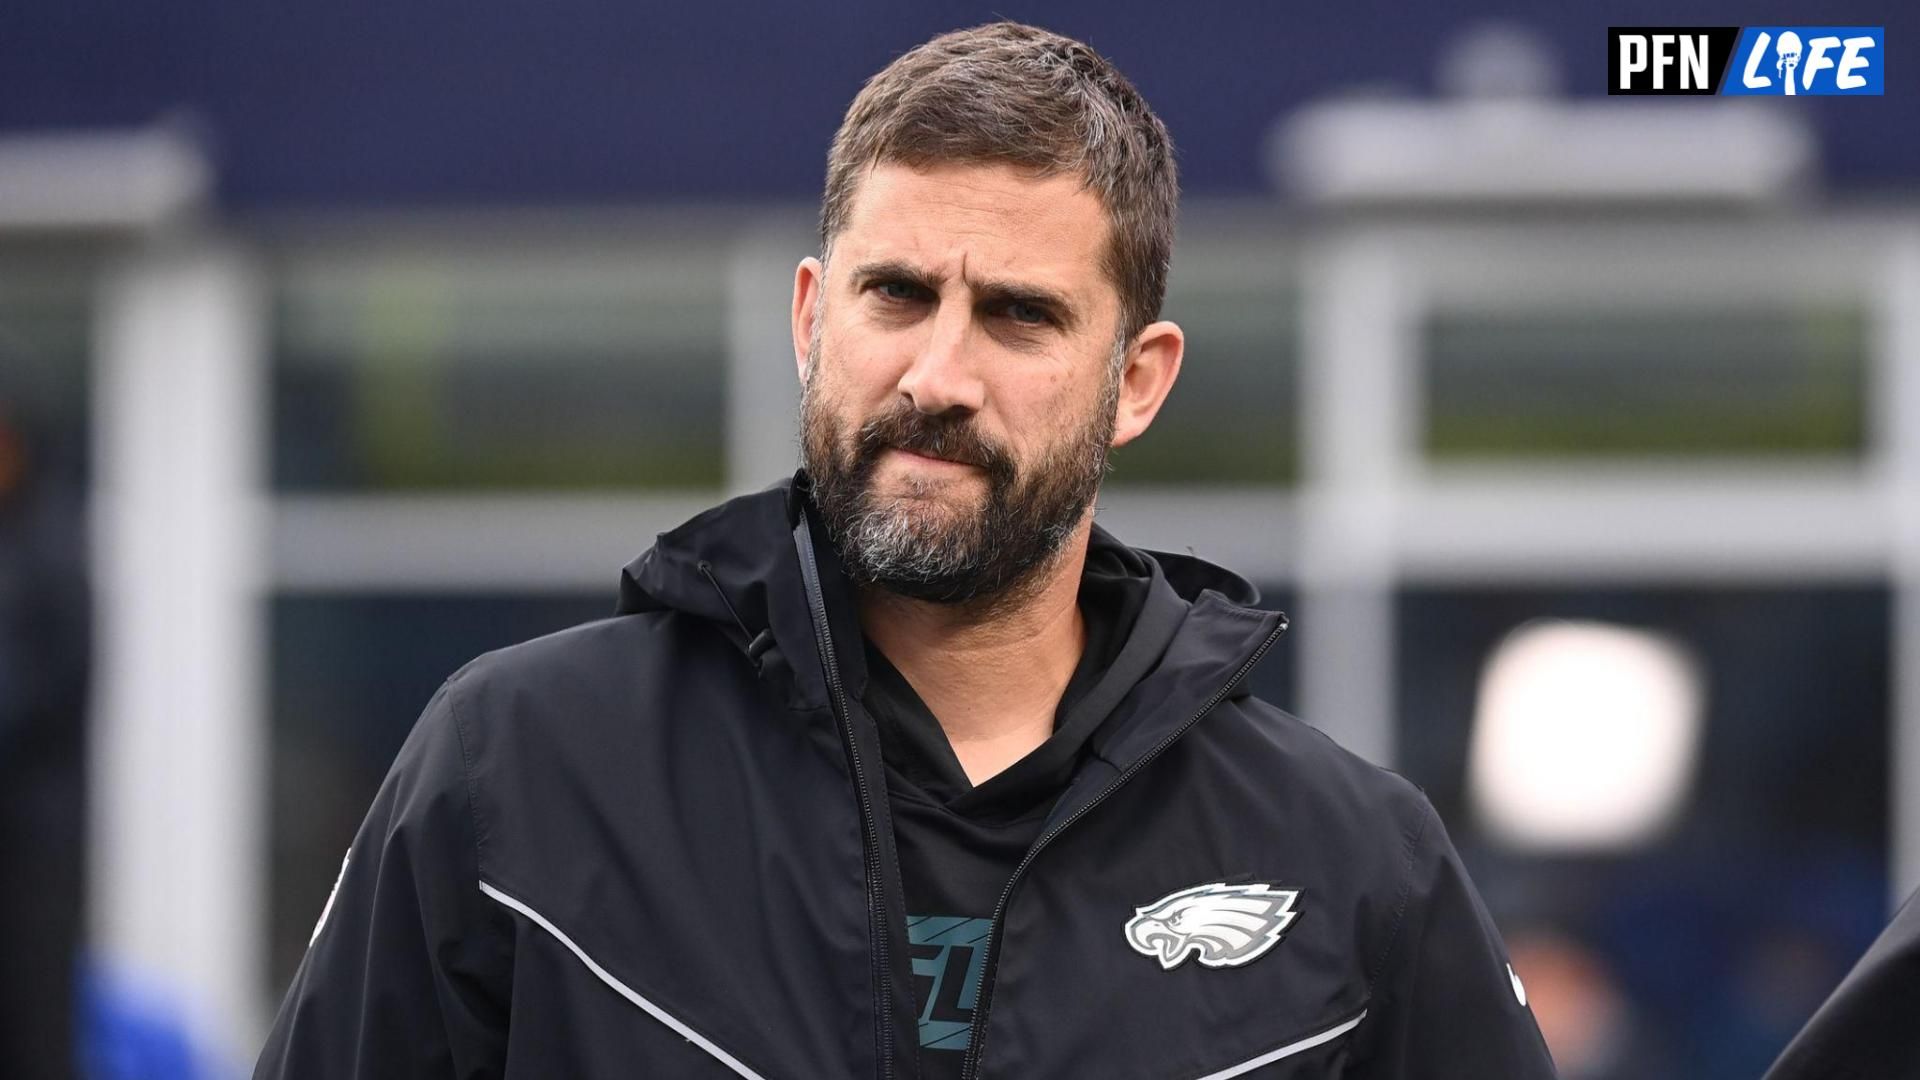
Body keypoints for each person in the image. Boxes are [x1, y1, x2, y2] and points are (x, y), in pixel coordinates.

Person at [256, 21, 1557, 1079]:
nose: (939, 374)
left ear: (1137, 383)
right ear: (814, 316)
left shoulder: (1351, 862)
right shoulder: (524, 772)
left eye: (1018, 316)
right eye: (897, 295)